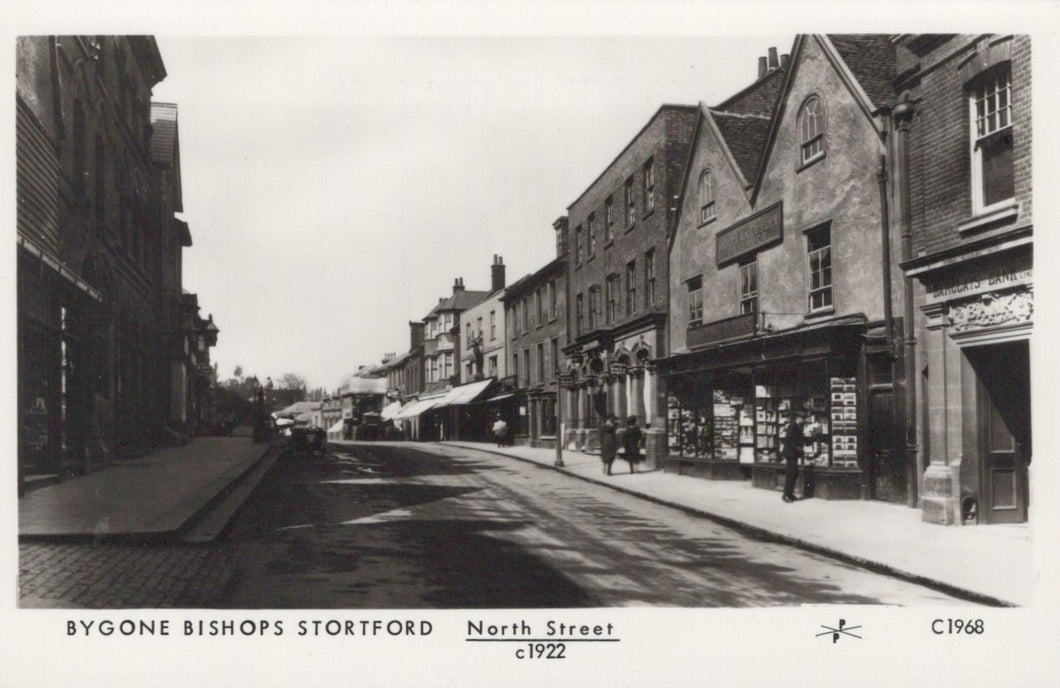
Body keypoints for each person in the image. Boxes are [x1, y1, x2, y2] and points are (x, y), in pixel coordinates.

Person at [781, 411, 807, 503]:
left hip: (793, 453)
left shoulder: (798, 426)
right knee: (791, 474)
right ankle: (786, 495)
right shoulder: (792, 426)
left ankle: (790, 494)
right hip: (790, 453)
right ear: (799, 418)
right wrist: (799, 448)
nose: (804, 421)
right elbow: (789, 440)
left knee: (794, 474)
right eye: (803, 419)